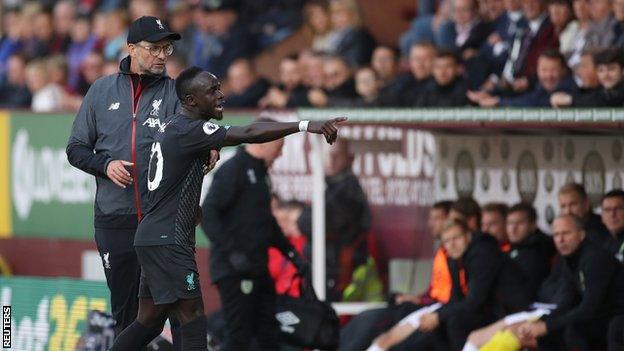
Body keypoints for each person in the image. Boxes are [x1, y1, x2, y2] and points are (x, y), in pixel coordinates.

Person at [111, 66, 345, 350]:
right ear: (192, 101)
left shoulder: (173, 127)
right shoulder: (190, 130)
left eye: (219, 88)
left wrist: (189, 208)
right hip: (169, 241)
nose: (221, 95)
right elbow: (248, 132)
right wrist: (305, 125)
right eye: (212, 91)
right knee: (193, 316)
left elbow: (162, 186)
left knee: (149, 322)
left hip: (153, 236)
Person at [66, 16, 193, 343]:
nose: (162, 55)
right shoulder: (101, 90)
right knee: (126, 314)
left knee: (180, 310)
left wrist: (208, 154)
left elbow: (196, 142)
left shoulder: (177, 92)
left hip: (163, 220)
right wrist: (105, 165)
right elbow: (76, 149)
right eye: (154, 48)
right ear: (132, 48)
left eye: (167, 48)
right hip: (115, 220)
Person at [368, 218, 529, 351]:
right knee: (436, 322)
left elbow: (475, 300)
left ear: (467, 235)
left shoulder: (483, 253)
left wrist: (439, 316)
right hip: (487, 308)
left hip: (510, 310)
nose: (452, 244)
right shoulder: (454, 258)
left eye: (456, 238)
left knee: (454, 321)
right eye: (447, 241)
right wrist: (437, 316)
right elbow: (456, 298)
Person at [339, 200, 452, 351]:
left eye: (437, 218)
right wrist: (417, 298)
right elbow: (435, 290)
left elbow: (453, 296)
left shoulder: (457, 253)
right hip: (423, 306)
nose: (431, 224)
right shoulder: (443, 251)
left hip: (435, 311)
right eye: (430, 218)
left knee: (378, 332)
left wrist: (422, 301)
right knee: (366, 319)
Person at [517, 214, 624, 351]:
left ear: (581, 234)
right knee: (551, 333)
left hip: (615, 315)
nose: (561, 240)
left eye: (566, 233)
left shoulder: (594, 258)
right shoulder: (569, 259)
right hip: (601, 315)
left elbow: (589, 308)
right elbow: (567, 302)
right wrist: (541, 323)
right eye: (556, 235)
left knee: (575, 329)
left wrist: (546, 327)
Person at [298, 139, 372, 300]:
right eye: (329, 155)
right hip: (323, 264)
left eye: (337, 156)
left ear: (349, 158)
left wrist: (304, 218)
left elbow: (308, 223)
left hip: (335, 269)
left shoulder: (347, 190)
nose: (331, 161)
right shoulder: (330, 186)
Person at [600, 189, 624, 261]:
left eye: (618, 209)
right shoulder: (602, 244)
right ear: (602, 216)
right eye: (607, 210)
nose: (612, 214)